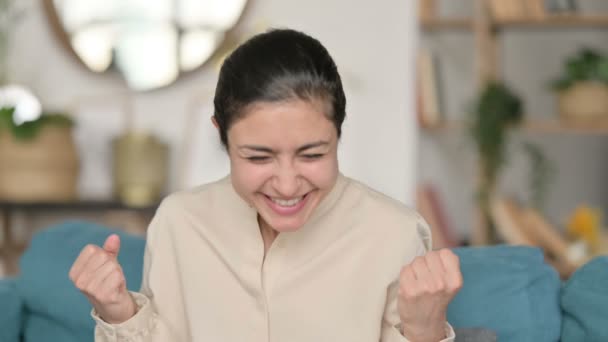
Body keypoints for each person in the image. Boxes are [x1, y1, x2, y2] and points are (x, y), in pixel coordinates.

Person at [69, 28, 463, 342]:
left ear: (338, 134)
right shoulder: (179, 223)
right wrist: (117, 312)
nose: (288, 185)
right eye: (259, 157)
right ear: (221, 135)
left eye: (312, 155)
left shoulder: (394, 233)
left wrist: (426, 331)